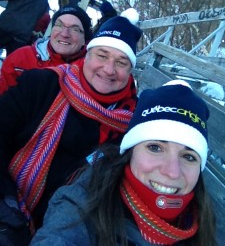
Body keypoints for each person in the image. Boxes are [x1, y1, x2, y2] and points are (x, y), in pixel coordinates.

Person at [0, 8, 142, 245]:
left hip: (71, 228)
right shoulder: (42, 84)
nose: (108, 69)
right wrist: (5, 201)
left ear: (130, 70)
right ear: (87, 54)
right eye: (102, 55)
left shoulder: (131, 124)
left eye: (121, 62)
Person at [31, 80, 217, 246]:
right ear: (131, 151)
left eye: (189, 157)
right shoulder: (83, 203)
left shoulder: (211, 225)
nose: (172, 172)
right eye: (155, 148)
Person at [0, 4, 92, 94]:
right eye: (59, 25)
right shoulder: (22, 57)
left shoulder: (91, 71)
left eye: (75, 29)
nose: (64, 34)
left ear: (85, 39)